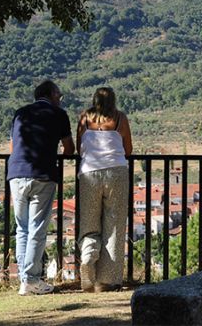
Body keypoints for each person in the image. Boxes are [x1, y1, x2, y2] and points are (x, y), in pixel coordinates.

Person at [7, 80, 74, 295]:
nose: (60, 99)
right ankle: (31, 280)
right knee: (37, 228)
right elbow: (69, 148)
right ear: (52, 94)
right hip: (42, 174)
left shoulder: (20, 113)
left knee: (21, 228)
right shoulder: (58, 114)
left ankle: (24, 280)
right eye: (59, 95)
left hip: (16, 174)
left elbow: (13, 145)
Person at [76, 86, 133, 292]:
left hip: (89, 173)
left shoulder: (84, 118)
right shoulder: (120, 119)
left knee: (89, 221)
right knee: (114, 225)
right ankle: (107, 281)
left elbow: (78, 147)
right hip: (116, 172)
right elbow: (128, 149)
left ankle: (88, 258)